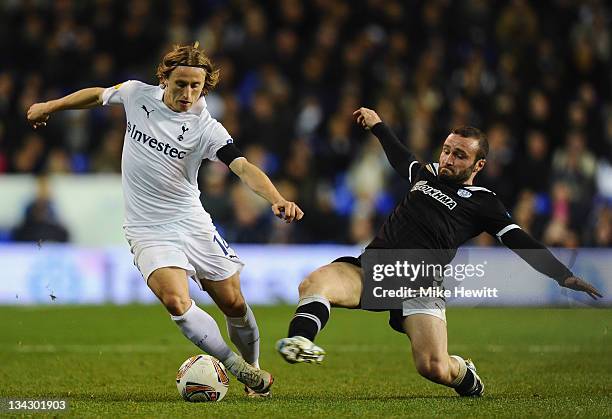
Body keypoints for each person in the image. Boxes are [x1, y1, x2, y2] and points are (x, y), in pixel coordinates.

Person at [27, 42, 304, 397]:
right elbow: (97, 95)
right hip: (147, 229)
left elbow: (242, 166)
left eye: (196, 86)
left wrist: (277, 198)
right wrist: (49, 106)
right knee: (176, 300)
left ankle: (254, 367)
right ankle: (236, 367)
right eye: (181, 84)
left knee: (233, 303)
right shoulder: (135, 95)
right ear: (164, 79)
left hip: (192, 222)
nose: (188, 93)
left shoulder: (206, 129)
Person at [276, 107, 602, 397]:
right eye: (446, 150)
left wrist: (563, 275)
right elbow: (399, 155)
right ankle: (301, 340)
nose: (448, 159)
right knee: (315, 283)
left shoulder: (483, 202)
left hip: (420, 285)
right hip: (374, 270)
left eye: (459, 155)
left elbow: (521, 242)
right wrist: (378, 125)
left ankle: (465, 376)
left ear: (479, 164)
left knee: (433, 367)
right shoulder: (426, 173)